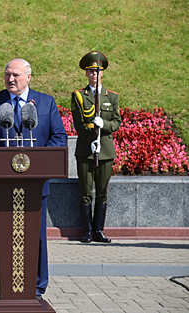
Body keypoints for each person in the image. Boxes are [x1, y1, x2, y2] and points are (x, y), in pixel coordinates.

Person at [0, 58, 67, 299]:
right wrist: (1, 158)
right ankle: (4, 287)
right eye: (7, 74)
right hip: (0, 184)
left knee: (36, 237)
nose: (10, 79)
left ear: (28, 77)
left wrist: (39, 161)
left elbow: (59, 137)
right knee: (1, 236)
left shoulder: (45, 103)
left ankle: (36, 289)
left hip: (35, 183)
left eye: (15, 75)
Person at [71, 51, 121, 243]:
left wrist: (104, 126)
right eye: (91, 71)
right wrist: (90, 138)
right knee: (85, 190)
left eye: (98, 71)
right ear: (86, 73)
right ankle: (87, 231)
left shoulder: (112, 97)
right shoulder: (78, 96)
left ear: (103, 73)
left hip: (106, 151)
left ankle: (99, 230)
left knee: (102, 190)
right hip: (86, 149)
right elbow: (78, 123)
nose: (94, 75)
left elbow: (116, 122)